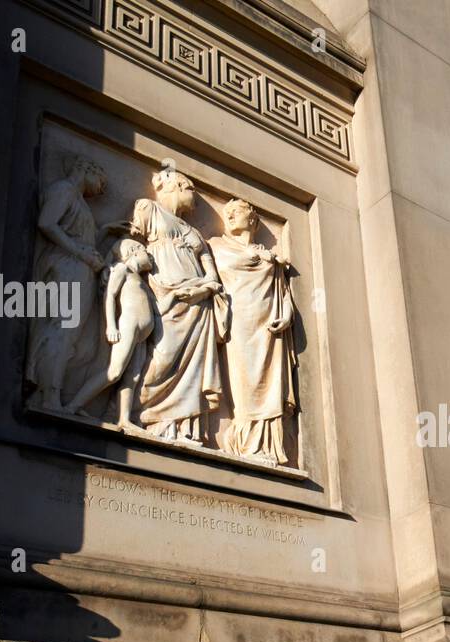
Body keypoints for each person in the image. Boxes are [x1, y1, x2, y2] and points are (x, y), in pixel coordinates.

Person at [130, 159, 226, 447]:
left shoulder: (194, 233)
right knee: (161, 356)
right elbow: (131, 246)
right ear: (178, 186)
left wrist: (203, 290)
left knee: (193, 367)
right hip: (163, 294)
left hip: (197, 302)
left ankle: (184, 428)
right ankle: (146, 413)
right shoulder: (149, 208)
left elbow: (211, 275)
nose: (195, 199)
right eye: (191, 191)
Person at [209, 198, 297, 464]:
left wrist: (288, 315)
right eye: (228, 212)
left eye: (238, 211)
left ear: (253, 219)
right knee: (244, 381)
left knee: (271, 382)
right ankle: (246, 442)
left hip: (269, 328)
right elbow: (219, 273)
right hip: (239, 323)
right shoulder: (218, 246)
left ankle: (267, 446)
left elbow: (284, 294)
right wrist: (258, 258)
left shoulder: (269, 256)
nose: (230, 214)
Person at [26, 154, 106, 410]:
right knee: (61, 331)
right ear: (86, 168)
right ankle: (47, 395)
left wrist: (106, 232)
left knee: (70, 337)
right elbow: (47, 223)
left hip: (77, 268)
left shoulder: (78, 199)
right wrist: (81, 253)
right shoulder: (65, 189)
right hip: (66, 266)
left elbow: (80, 234)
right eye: (100, 181)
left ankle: (50, 392)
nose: (101, 188)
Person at [63, 238, 164, 429]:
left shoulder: (142, 282)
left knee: (132, 377)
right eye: (145, 251)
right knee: (114, 371)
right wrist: (111, 326)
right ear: (134, 251)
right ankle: (73, 406)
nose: (150, 256)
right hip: (128, 326)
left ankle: (124, 419)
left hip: (142, 335)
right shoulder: (122, 269)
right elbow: (110, 295)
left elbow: (158, 310)